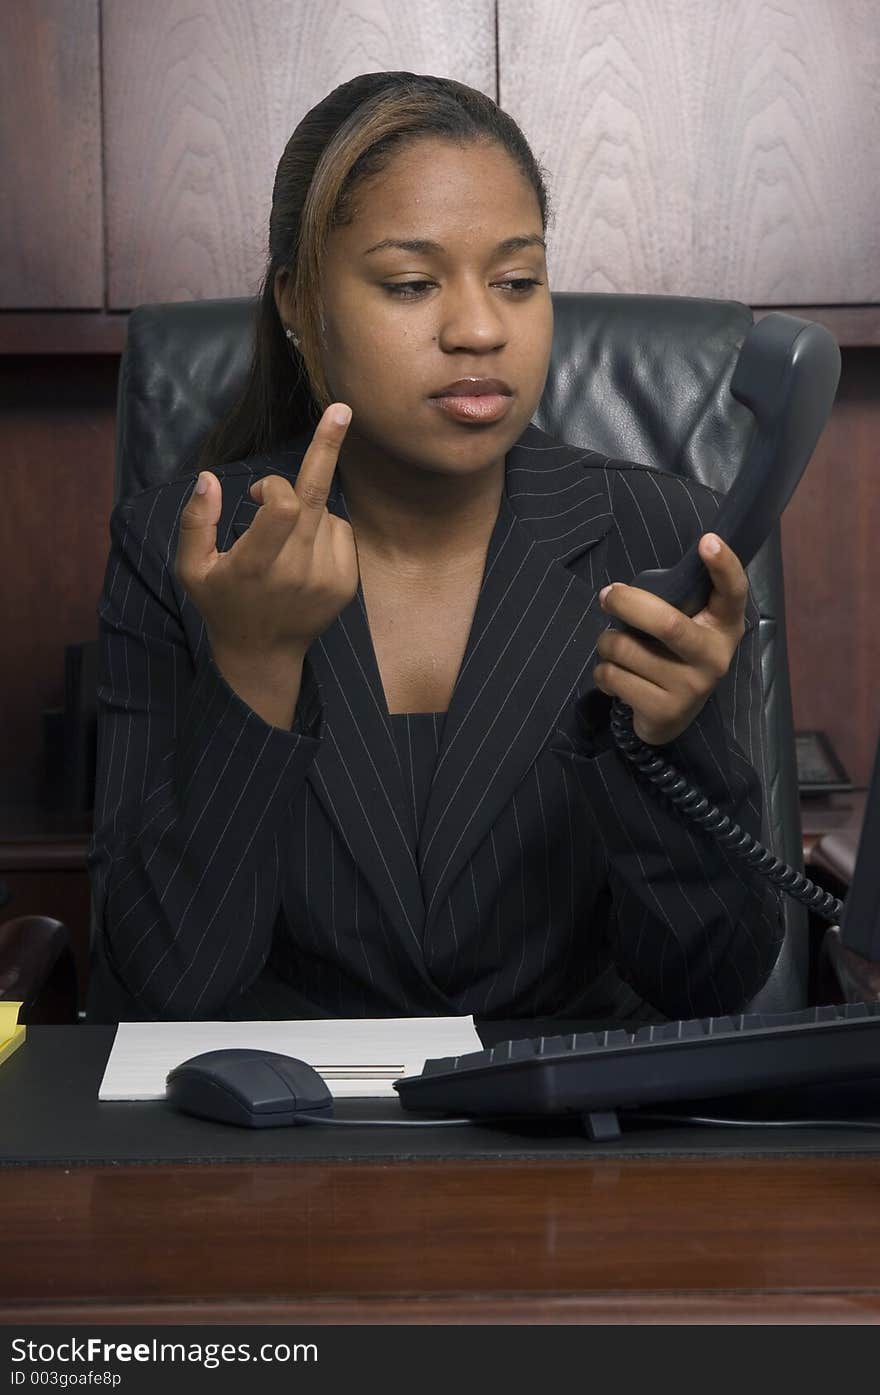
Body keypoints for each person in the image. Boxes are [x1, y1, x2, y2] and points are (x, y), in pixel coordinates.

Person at [86, 71, 784, 1024]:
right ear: (297, 300)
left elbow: (713, 982)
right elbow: (167, 984)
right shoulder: (179, 550)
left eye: (517, 280)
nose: (480, 329)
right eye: (412, 284)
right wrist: (253, 668)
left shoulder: (664, 540)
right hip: (278, 1141)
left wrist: (670, 741)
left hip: (581, 1143)